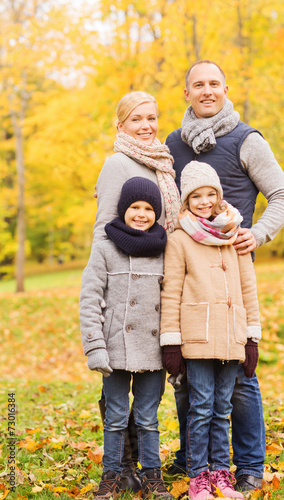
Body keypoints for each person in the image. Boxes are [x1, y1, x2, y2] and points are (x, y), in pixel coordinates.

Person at [164, 60, 284, 492]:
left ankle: (249, 464)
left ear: (225, 89)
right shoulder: (174, 143)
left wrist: (257, 235)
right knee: (188, 381)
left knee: (239, 378)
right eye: (197, 85)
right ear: (187, 93)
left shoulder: (246, 139)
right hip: (187, 273)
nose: (206, 91)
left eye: (213, 84)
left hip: (230, 273)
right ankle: (194, 462)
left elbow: (282, 196)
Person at [91, 91, 181, 494]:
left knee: (147, 412)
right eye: (136, 119)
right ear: (121, 124)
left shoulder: (162, 161)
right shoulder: (117, 163)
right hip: (122, 278)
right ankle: (120, 469)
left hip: (157, 267)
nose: (146, 125)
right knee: (115, 407)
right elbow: (104, 224)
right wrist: (106, 271)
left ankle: (144, 471)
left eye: (151, 117)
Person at [161, 161, 261, 500]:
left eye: (210, 194)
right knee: (200, 406)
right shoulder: (179, 239)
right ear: (186, 201)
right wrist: (172, 342)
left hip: (232, 337)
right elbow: (171, 290)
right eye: (196, 196)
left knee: (222, 409)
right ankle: (198, 477)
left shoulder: (235, 235)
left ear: (218, 196)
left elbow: (248, 288)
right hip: (197, 338)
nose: (204, 201)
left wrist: (251, 337)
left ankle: (221, 474)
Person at [80, 177, 174, 500]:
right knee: (116, 416)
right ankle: (113, 474)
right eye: (135, 207)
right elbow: (90, 298)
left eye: (149, 209)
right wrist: (95, 346)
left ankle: (151, 475)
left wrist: (174, 347)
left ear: (156, 214)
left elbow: (174, 299)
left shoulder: (166, 248)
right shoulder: (105, 247)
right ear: (123, 209)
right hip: (115, 349)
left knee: (148, 418)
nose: (141, 214)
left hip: (153, 350)